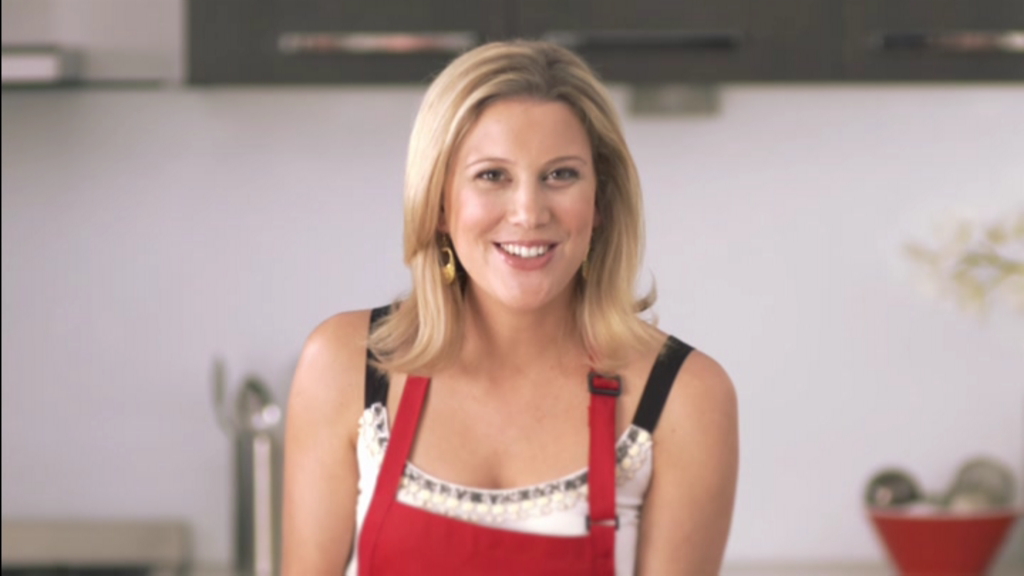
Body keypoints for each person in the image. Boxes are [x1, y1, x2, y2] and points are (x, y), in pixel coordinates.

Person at [282, 40, 739, 576]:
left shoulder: (684, 397)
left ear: (600, 202)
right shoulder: (345, 366)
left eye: (560, 175)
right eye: (492, 175)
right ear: (439, 203)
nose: (528, 213)